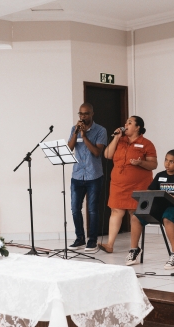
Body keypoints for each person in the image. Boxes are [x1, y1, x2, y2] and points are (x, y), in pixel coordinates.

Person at [98, 116, 157, 260]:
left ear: (138, 127)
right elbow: (107, 154)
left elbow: (153, 165)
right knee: (116, 210)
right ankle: (110, 244)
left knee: (134, 213)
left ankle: (133, 247)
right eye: (126, 122)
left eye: (130, 123)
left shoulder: (146, 144)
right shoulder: (120, 140)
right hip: (118, 184)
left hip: (138, 185)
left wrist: (140, 163)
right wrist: (117, 138)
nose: (126, 124)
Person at [132, 149, 174, 269]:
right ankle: (134, 250)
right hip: (160, 207)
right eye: (166, 160)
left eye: (171, 161)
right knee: (136, 216)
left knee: (167, 217)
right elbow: (151, 192)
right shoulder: (160, 175)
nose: (167, 164)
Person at [67, 103, 107, 253]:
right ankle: (80, 238)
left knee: (92, 210)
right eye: (80, 114)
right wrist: (76, 133)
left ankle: (92, 241)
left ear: (92, 114)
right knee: (75, 208)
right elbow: (69, 148)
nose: (83, 117)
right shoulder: (74, 129)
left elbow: (97, 152)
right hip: (77, 175)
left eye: (86, 114)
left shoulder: (100, 130)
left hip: (93, 176)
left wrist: (84, 136)